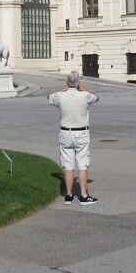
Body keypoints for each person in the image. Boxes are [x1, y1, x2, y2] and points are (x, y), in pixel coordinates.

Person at [48, 71, 100, 205]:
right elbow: (96, 97)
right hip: (81, 133)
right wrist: (82, 87)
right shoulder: (84, 95)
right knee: (82, 164)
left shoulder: (60, 96)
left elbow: (49, 97)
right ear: (78, 83)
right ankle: (83, 195)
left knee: (68, 165)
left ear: (67, 83)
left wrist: (65, 88)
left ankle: (69, 195)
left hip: (66, 133)